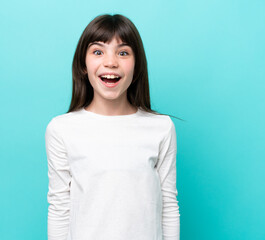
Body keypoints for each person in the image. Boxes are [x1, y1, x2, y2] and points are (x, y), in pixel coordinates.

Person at [45, 13, 180, 240]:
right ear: (83, 65)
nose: (111, 62)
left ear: (136, 67)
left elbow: (168, 205)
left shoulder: (161, 127)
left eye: (123, 52)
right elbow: (60, 209)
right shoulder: (62, 129)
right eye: (98, 51)